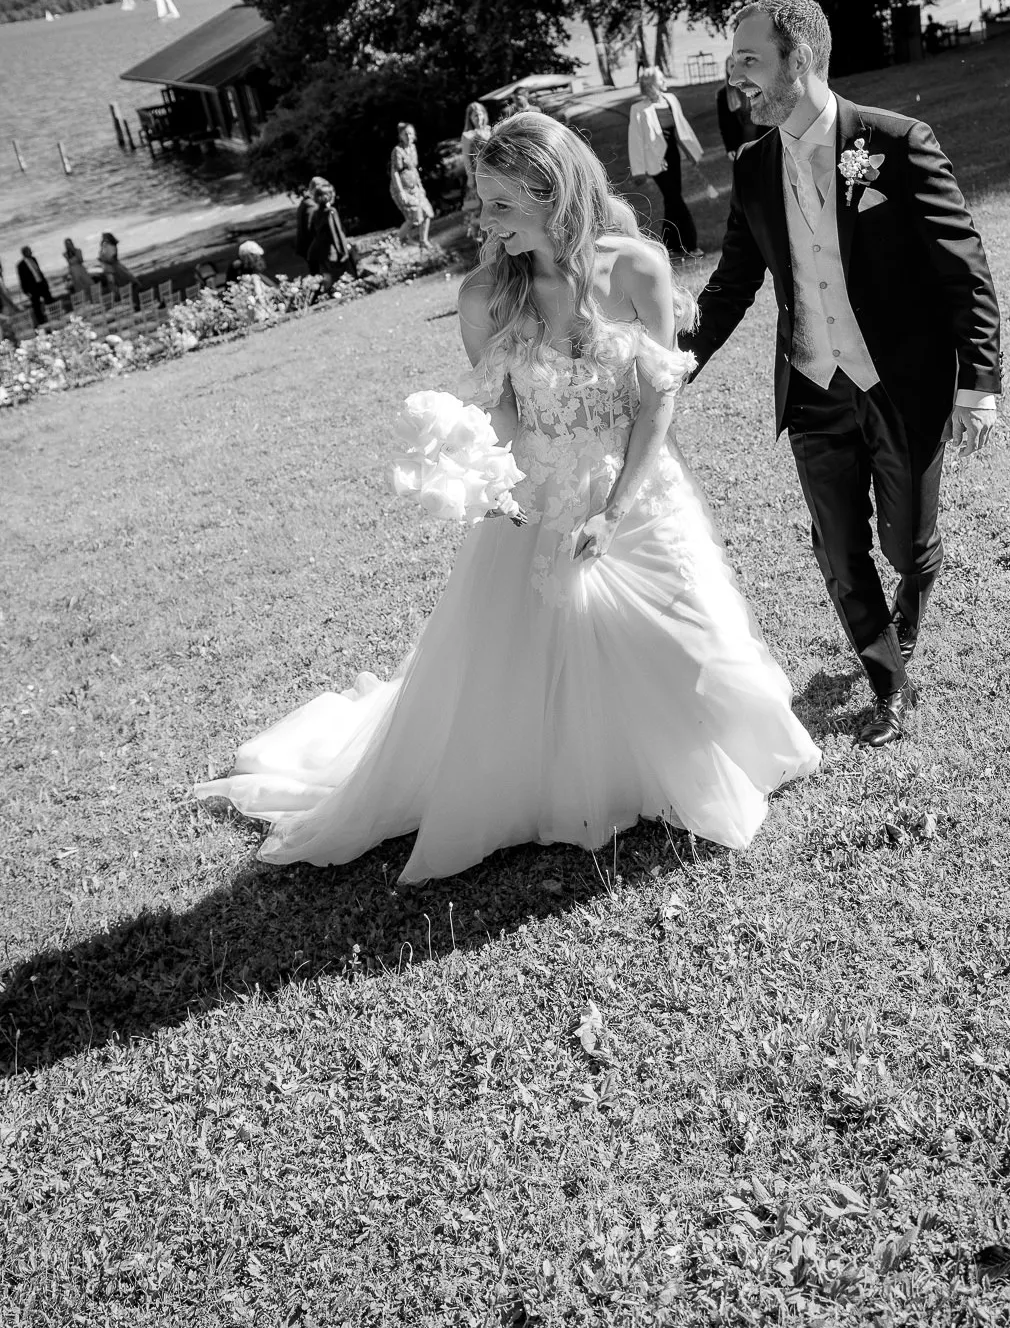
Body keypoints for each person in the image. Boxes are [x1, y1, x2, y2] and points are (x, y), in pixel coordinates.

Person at [195, 113, 818, 879]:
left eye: (499, 205)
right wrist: (475, 467)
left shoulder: (637, 268)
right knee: (529, 661)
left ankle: (684, 763)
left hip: (639, 487)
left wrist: (615, 508)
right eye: (481, 203)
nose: (482, 223)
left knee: (683, 642)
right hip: (538, 495)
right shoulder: (485, 295)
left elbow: (658, 400)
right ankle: (568, 780)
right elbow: (503, 414)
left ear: (551, 192)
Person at [680, 0, 1002, 750]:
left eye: (751, 64)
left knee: (905, 547)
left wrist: (978, 384)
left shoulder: (895, 142)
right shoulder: (754, 167)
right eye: (732, 69)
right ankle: (889, 685)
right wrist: (675, 363)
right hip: (813, 389)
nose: (738, 84)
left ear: (803, 59)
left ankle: (914, 588)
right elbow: (731, 285)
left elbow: (965, 270)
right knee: (837, 548)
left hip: (900, 383)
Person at [627, 66, 702, 255]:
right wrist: (638, 170)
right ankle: (691, 245)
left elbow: (682, 127)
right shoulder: (638, 109)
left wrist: (693, 152)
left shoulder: (671, 100)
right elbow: (635, 140)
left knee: (672, 201)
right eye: (661, 79)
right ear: (652, 84)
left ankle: (669, 246)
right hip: (656, 162)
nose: (665, 82)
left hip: (673, 157)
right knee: (675, 199)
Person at [390, 123, 434, 249]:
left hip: (415, 187)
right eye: (405, 134)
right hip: (403, 189)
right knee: (413, 218)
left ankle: (423, 241)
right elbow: (394, 172)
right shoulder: (397, 151)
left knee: (427, 213)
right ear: (400, 136)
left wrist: (420, 186)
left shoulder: (413, 148)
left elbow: (414, 169)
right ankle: (397, 242)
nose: (408, 136)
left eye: (410, 133)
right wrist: (401, 192)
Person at [307, 182, 359, 290]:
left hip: (321, 252)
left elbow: (313, 232)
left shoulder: (316, 213)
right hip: (333, 252)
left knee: (329, 279)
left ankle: (329, 295)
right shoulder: (331, 212)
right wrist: (344, 251)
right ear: (328, 196)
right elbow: (336, 233)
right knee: (345, 277)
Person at [716, 60, 760, 160]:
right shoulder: (723, 95)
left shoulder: (757, 87)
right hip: (739, 145)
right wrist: (729, 147)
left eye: (738, 65)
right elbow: (724, 125)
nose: (735, 69)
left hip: (760, 140)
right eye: (732, 66)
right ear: (727, 70)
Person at [459, 101, 491, 238]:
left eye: (480, 114)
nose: (479, 118)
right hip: (479, 174)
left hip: (494, 172)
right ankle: (478, 231)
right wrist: (470, 178)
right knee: (481, 205)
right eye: (475, 116)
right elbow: (466, 158)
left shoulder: (490, 130)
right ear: (470, 119)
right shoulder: (468, 136)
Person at [17, 247, 54, 327]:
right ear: (25, 253)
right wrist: (26, 291)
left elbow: (38, 271)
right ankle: (41, 322)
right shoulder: (21, 265)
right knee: (36, 305)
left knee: (49, 299)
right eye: (29, 251)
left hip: (41, 283)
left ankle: (54, 315)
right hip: (32, 288)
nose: (31, 252)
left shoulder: (33, 259)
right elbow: (22, 279)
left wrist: (45, 282)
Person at [295, 178, 326, 264]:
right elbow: (312, 228)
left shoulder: (303, 204)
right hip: (310, 246)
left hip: (306, 246)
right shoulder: (310, 205)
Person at [97, 233, 137, 298]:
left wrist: (102, 259)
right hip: (109, 268)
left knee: (118, 282)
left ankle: (121, 296)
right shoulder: (107, 246)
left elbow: (111, 259)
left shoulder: (109, 246)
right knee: (116, 283)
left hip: (112, 268)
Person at [63, 239, 96, 303]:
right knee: (79, 287)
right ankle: (85, 301)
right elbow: (69, 263)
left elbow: (81, 260)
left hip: (80, 269)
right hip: (74, 272)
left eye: (70, 243)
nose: (69, 245)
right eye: (67, 244)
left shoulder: (78, 251)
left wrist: (74, 252)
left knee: (87, 283)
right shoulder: (66, 254)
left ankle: (93, 299)